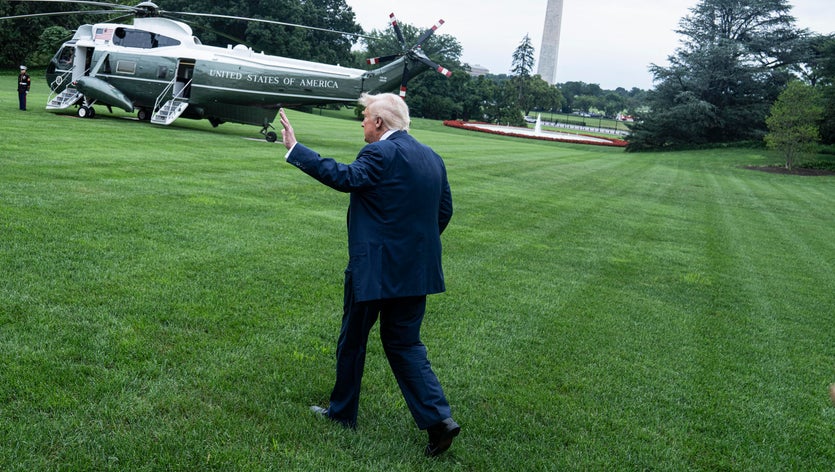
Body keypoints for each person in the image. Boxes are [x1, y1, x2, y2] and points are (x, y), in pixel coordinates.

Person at [278, 93, 460, 457]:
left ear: (379, 123)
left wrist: (295, 148)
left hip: (373, 271)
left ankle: (342, 414)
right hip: (415, 272)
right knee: (406, 345)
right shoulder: (432, 157)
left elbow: (346, 178)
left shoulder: (378, 153)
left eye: (364, 117)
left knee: (353, 340)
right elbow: (444, 211)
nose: (361, 122)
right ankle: (439, 421)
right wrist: (410, 250)